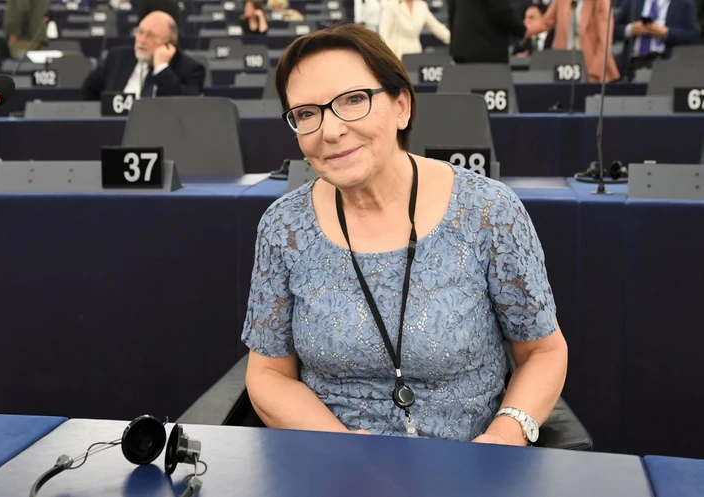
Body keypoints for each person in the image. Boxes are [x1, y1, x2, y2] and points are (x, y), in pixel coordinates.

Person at [242, 23, 568, 444]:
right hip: (333, 461)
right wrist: (342, 446)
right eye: (307, 113)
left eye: (353, 100)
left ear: (402, 106)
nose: (331, 130)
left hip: (469, 460)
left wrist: (501, 441)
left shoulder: (489, 211)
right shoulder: (283, 227)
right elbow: (268, 373)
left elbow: (542, 351)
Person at [81, 11, 206, 100]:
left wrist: (162, 69)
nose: (142, 40)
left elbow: (186, 107)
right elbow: (88, 90)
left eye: (151, 36)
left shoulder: (192, 70)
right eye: (140, 32)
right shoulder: (117, 57)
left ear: (169, 44)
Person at [523, 0, 621, 82]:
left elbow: (604, 43)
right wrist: (523, 31)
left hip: (590, 65)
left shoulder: (601, 2)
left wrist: (594, 72)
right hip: (563, 64)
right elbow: (546, 22)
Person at [614, 0, 699, 80]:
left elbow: (691, 35)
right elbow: (612, 29)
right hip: (632, 65)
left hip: (666, 64)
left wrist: (667, 32)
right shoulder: (633, 2)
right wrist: (630, 29)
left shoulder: (684, 3)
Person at [446, 0, 525, 63]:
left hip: (461, 50)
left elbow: (452, 11)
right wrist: (521, 30)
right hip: (487, 50)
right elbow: (500, 9)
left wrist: (454, 49)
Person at [379, 0, 449, 59]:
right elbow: (384, 33)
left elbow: (438, 28)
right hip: (396, 54)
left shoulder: (422, 6)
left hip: (415, 54)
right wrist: (389, 55)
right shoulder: (392, 5)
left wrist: (454, 41)